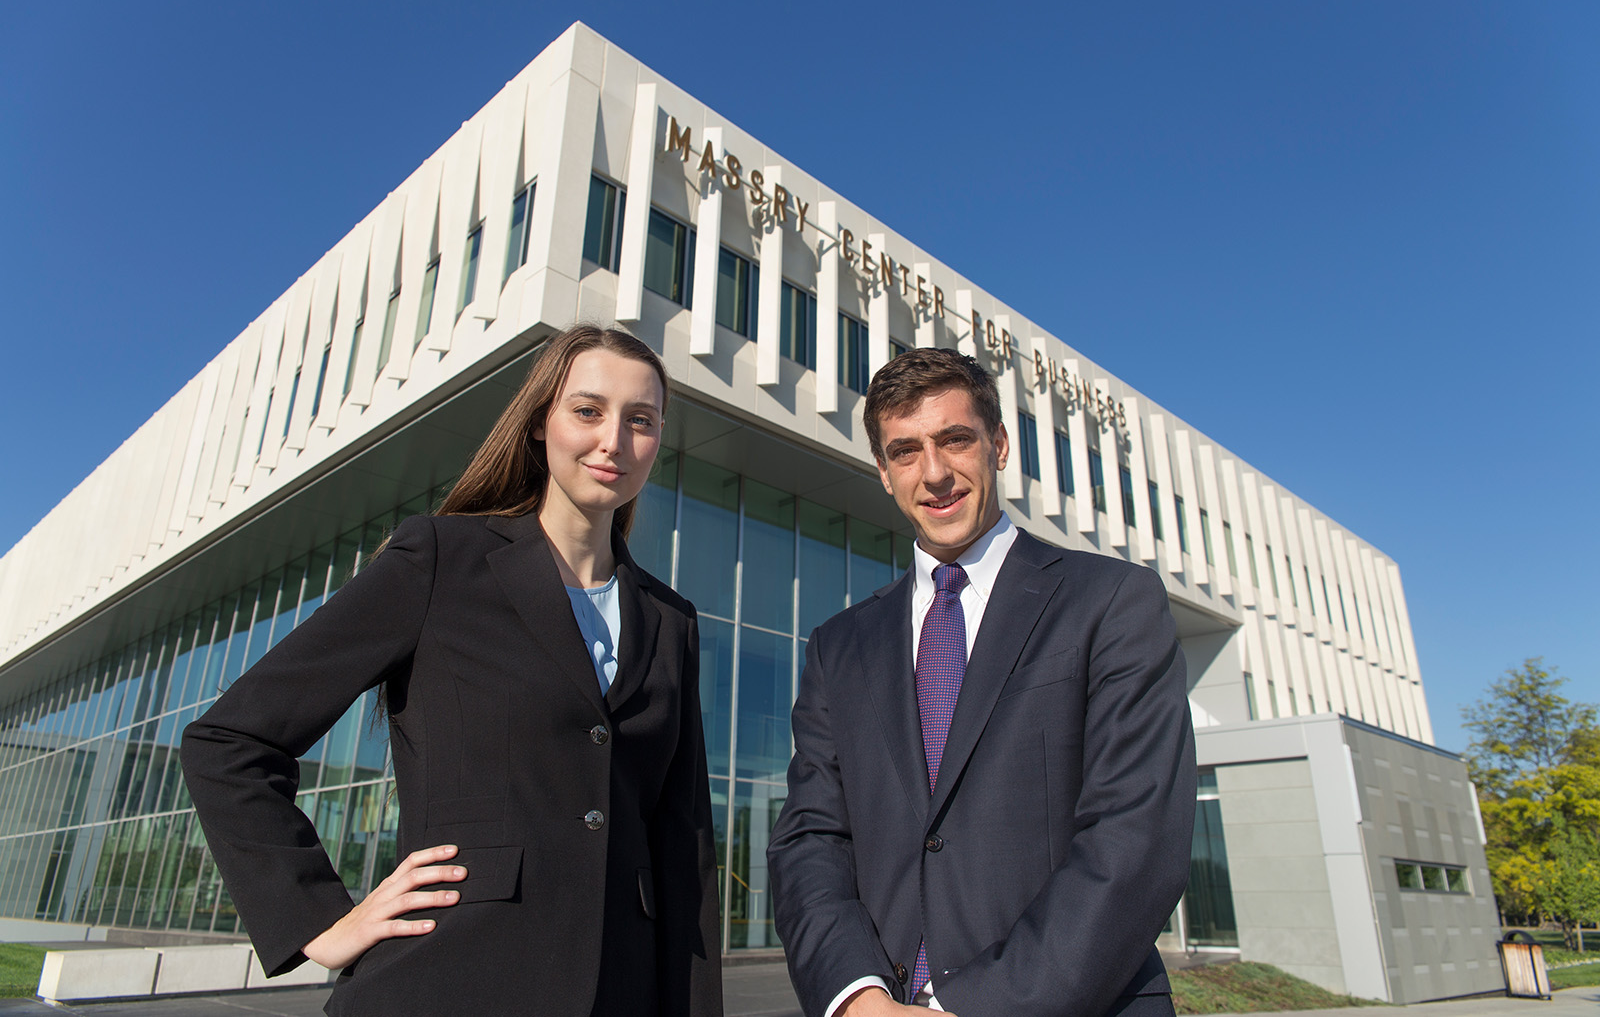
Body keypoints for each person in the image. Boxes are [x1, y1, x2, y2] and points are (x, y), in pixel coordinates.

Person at [181, 324, 722, 1017]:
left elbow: (685, 847)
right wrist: (318, 919)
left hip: (624, 991)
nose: (613, 439)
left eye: (640, 420)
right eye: (588, 410)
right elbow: (229, 743)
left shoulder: (670, 618)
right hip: (450, 979)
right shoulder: (441, 559)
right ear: (539, 424)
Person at [767, 348, 1196, 1017]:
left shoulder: (1111, 601)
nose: (934, 473)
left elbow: (1133, 837)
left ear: (997, 444)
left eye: (954, 439)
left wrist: (966, 1006)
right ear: (883, 471)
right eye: (905, 451)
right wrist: (857, 998)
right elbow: (811, 840)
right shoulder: (837, 647)